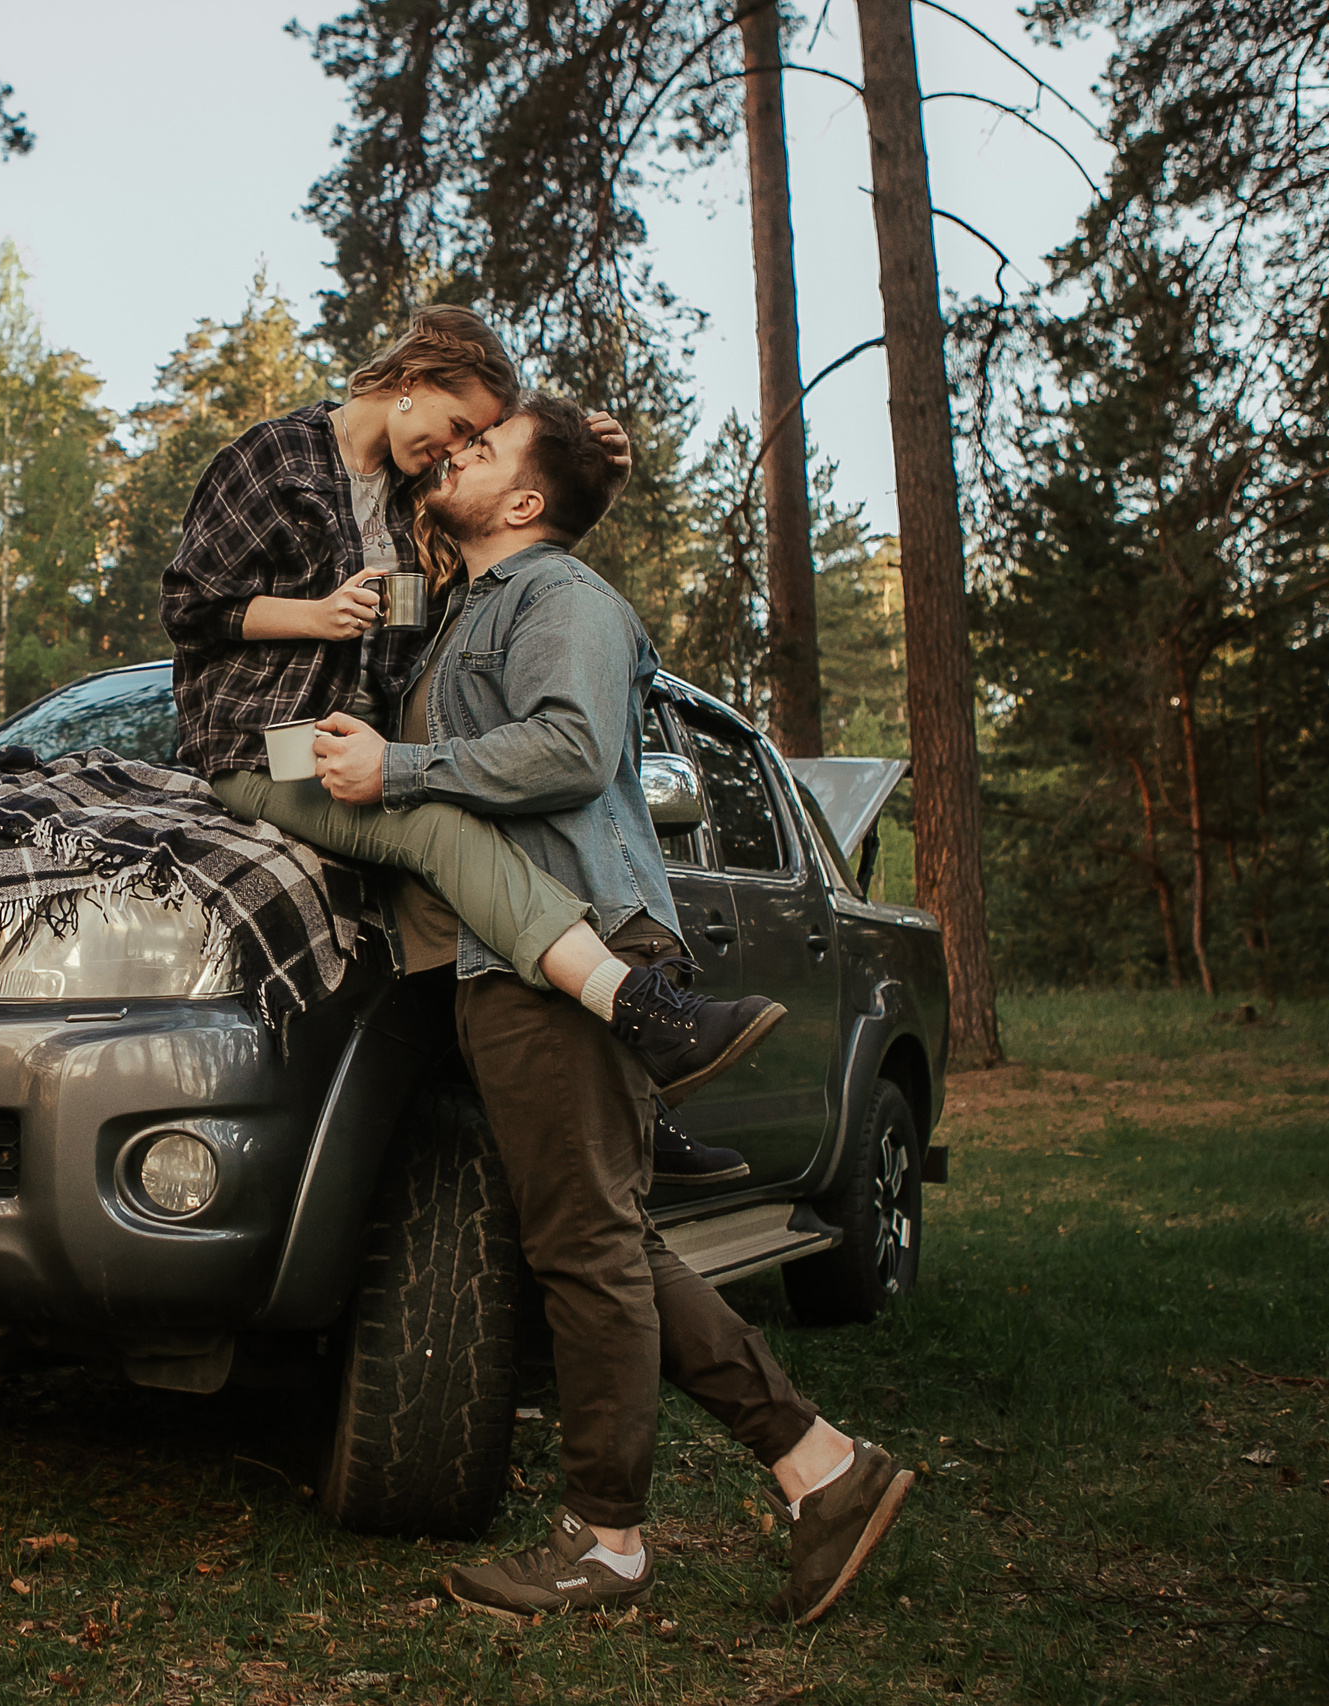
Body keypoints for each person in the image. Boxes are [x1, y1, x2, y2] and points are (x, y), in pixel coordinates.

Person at [306, 392, 913, 1624]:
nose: (456, 453)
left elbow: (572, 749)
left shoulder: (561, 599)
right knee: (606, 1237)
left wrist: (403, 769)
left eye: (483, 449)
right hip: (515, 951)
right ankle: (820, 1467)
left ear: (526, 503)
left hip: (573, 935)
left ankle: (611, 1540)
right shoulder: (475, 599)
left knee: (585, 1246)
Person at [160, 305, 783, 1122]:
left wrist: (593, 486)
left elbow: (513, 554)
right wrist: (315, 615)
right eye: (459, 426)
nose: (453, 451)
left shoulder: (415, 499)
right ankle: (641, 1012)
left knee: (454, 833)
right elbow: (187, 604)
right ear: (411, 383)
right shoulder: (274, 456)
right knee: (438, 830)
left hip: (351, 752)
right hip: (264, 745)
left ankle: (639, 1120)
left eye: (473, 443)